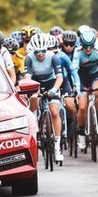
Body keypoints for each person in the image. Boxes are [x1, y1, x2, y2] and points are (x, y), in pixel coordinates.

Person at [24, 33, 64, 162]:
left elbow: (60, 77)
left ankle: (57, 147)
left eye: (42, 51)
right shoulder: (29, 58)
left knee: (54, 112)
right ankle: (34, 117)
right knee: (34, 97)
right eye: (37, 52)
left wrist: (54, 90)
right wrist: (31, 91)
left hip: (51, 82)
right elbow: (28, 78)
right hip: (36, 82)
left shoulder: (53, 57)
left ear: (46, 49)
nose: (40, 54)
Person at [71, 29, 98, 151]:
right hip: (81, 77)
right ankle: (81, 133)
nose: (88, 49)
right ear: (81, 44)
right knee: (82, 106)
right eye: (85, 47)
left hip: (95, 75)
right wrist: (77, 87)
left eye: (90, 46)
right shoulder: (77, 52)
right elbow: (74, 71)